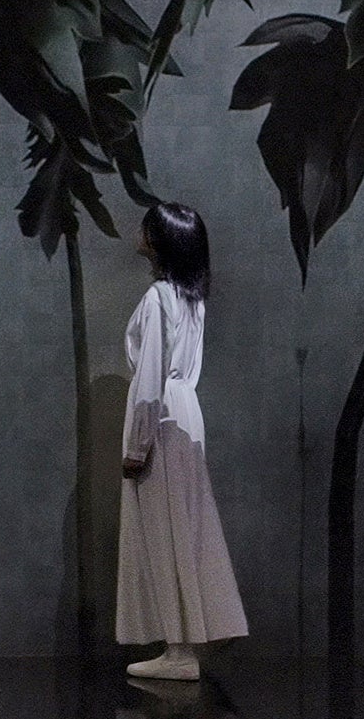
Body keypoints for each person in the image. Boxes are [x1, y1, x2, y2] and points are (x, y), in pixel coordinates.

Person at [116, 199, 247, 683]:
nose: (141, 233)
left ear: (160, 241)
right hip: (186, 412)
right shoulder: (191, 299)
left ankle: (180, 649)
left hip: (164, 417)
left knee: (165, 531)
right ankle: (194, 634)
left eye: (147, 227)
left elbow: (150, 380)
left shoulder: (158, 299)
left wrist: (137, 447)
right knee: (187, 527)